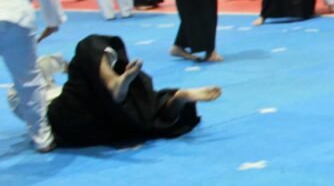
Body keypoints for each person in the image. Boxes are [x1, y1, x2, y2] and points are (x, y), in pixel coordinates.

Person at [46, 34, 220, 148]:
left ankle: (174, 99)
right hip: (79, 114)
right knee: (90, 44)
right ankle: (115, 82)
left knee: (138, 111)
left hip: (104, 126)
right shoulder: (45, 93)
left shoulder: (35, 92)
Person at [0, 0, 64, 152]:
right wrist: (53, 20)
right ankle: (43, 138)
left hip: (14, 6)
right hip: (18, 12)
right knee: (28, 80)